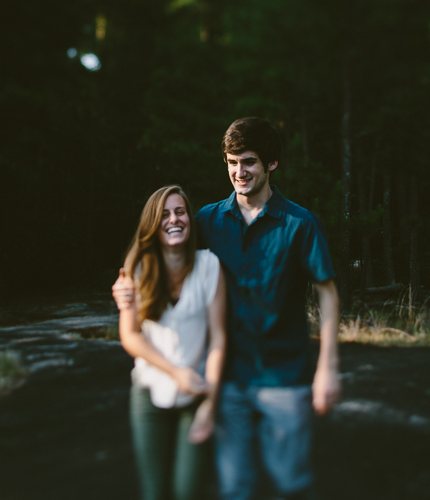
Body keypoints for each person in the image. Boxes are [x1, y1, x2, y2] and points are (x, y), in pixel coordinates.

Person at [114, 117, 340, 500]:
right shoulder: (206, 220)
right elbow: (166, 251)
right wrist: (126, 286)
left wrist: (328, 367)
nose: (239, 172)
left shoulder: (301, 224)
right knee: (235, 488)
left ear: (271, 164)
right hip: (228, 380)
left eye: (249, 161)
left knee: (290, 482)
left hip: (284, 377)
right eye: (232, 162)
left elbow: (328, 293)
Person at [114, 184, 227, 500]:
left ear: (190, 219)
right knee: (155, 493)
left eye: (180, 212)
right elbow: (130, 336)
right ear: (153, 223)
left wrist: (209, 405)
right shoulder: (138, 270)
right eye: (164, 215)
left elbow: (219, 339)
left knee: (187, 490)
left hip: (195, 397)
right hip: (149, 395)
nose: (173, 220)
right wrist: (177, 373)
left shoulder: (209, 266)